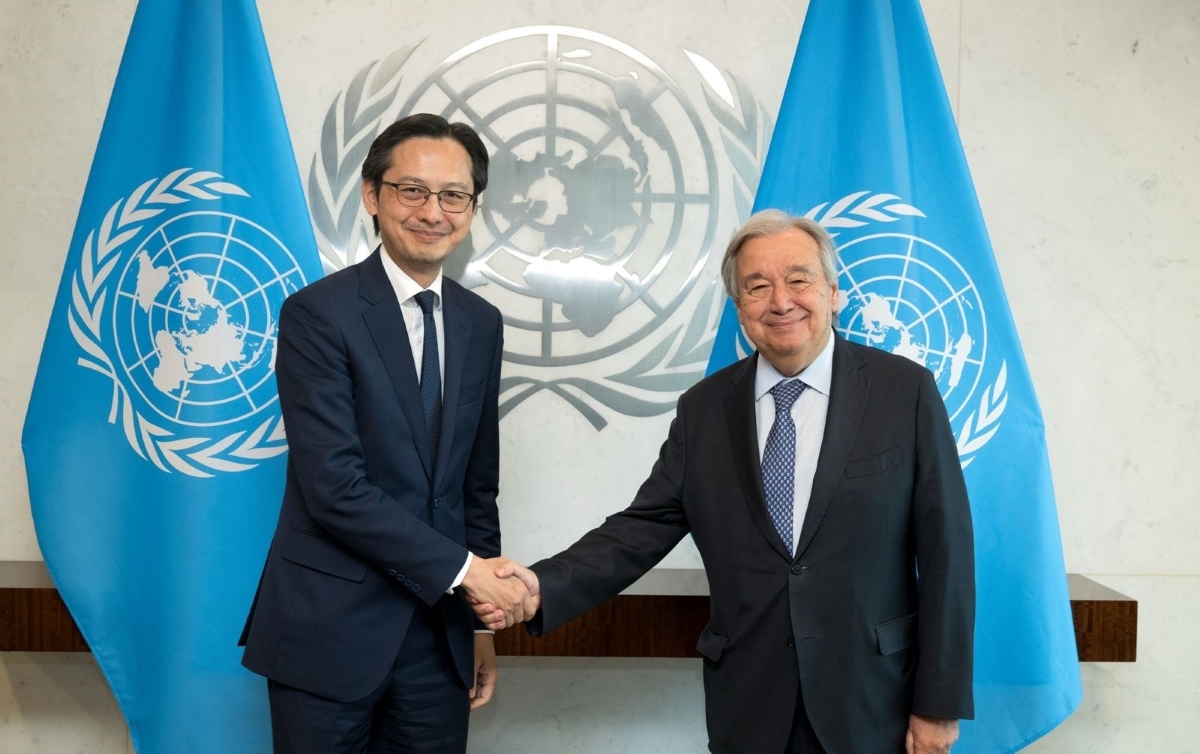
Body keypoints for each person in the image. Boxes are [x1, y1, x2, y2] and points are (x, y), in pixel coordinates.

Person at [477, 210, 975, 753]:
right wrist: (539, 586)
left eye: (799, 279)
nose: (781, 301)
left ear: (833, 292)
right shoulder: (704, 410)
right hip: (750, 704)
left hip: (874, 703)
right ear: (740, 310)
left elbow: (948, 552)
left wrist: (938, 705)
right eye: (757, 287)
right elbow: (640, 530)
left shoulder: (904, 392)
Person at [240, 113, 534, 753]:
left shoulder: (480, 323)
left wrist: (481, 624)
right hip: (328, 632)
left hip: (439, 641)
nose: (434, 211)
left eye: (454, 196)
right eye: (413, 191)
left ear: (472, 209)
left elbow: (474, 487)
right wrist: (467, 573)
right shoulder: (318, 314)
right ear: (373, 197)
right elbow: (335, 488)